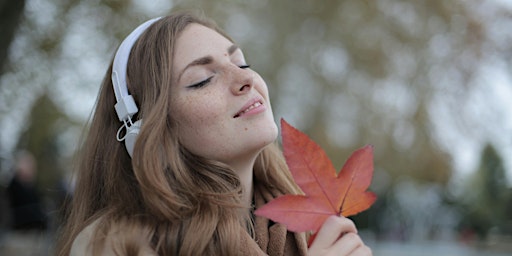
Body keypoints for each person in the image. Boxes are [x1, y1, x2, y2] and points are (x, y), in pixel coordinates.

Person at [56, 11, 372, 256]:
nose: (244, 80)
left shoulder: (310, 228)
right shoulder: (115, 243)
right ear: (143, 132)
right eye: (203, 79)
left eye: (242, 64)